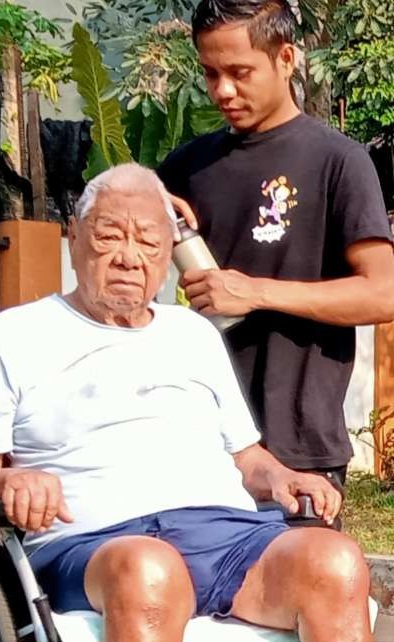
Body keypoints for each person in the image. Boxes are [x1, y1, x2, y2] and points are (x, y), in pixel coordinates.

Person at [0, 163, 374, 642]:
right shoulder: (13, 336)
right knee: (150, 567)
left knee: (335, 562)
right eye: (109, 236)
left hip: (224, 537)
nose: (129, 257)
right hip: (95, 545)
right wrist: (11, 481)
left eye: (148, 241)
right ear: (74, 238)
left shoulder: (192, 334)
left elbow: (246, 457)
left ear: (169, 254)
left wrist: (282, 477)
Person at [157, 0, 394, 503]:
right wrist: (142, 200)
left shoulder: (338, 162)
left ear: (286, 58)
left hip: (297, 445)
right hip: (197, 438)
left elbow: (383, 293)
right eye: (210, 73)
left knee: (303, 580)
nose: (223, 90)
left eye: (240, 72)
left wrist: (255, 292)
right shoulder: (187, 168)